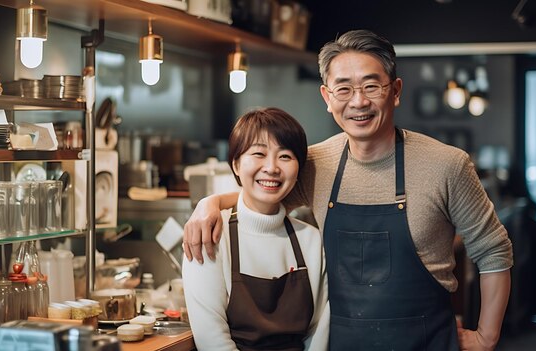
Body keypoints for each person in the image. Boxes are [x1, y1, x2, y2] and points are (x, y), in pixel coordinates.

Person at [184, 30, 513, 351]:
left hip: (425, 340)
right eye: (344, 89)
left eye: (372, 86)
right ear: (328, 98)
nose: (358, 101)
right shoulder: (315, 162)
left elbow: (494, 251)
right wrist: (209, 204)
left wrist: (487, 336)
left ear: (395, 90)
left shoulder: (447, 164)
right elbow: (267, 190)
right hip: (339, 342)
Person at [182, 107, 330, 351]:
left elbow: (318, 332)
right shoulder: (210, 236)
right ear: (236, 165)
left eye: (285, 156)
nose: (271, 167)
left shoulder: (311, 240)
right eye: (259, 153)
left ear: (298, 170)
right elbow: (212, 340)